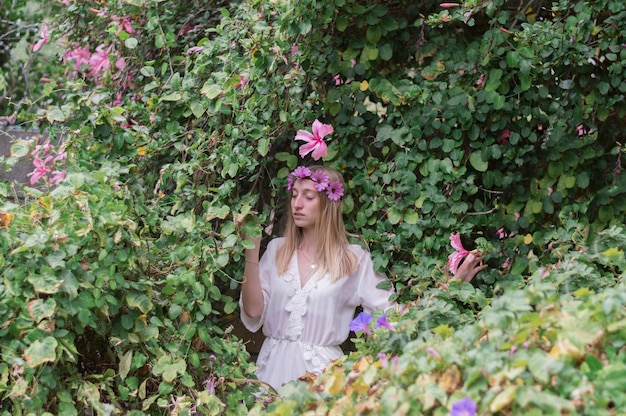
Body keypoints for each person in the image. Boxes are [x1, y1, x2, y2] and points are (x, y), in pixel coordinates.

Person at [240, 165, 485, 392]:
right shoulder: (277, 250)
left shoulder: (353, 260)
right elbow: (252, 311)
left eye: (308, 196)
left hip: (323, 378)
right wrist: (251, 250)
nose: (297, 203)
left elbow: (393, 317)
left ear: (328, 203)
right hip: (270, 371)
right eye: (294, 195)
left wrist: (452, 286)